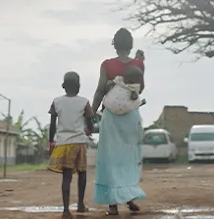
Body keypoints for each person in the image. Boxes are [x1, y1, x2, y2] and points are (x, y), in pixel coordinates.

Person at [92, 27, 146, 216]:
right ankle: (130, 197)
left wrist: (92, 111)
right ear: (130, 45)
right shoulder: (138, 64)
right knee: (129, 159)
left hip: (111, 117)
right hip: (130, 117)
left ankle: (112, 205)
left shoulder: (106, 65)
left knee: (109, 159)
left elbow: (100, 90)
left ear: (114, 45)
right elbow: (140, 88)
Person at [48, 71, 94, 219]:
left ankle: (66, 210)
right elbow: (90, 121)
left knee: (66, 177)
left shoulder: (56, 102)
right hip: (79, 143)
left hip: (62, 143)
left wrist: (51, 141)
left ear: (64, 86)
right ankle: (80, 204)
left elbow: (52, 124)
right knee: (82, 173)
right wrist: (89, 130)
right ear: (78, 86)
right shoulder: (84, 102)